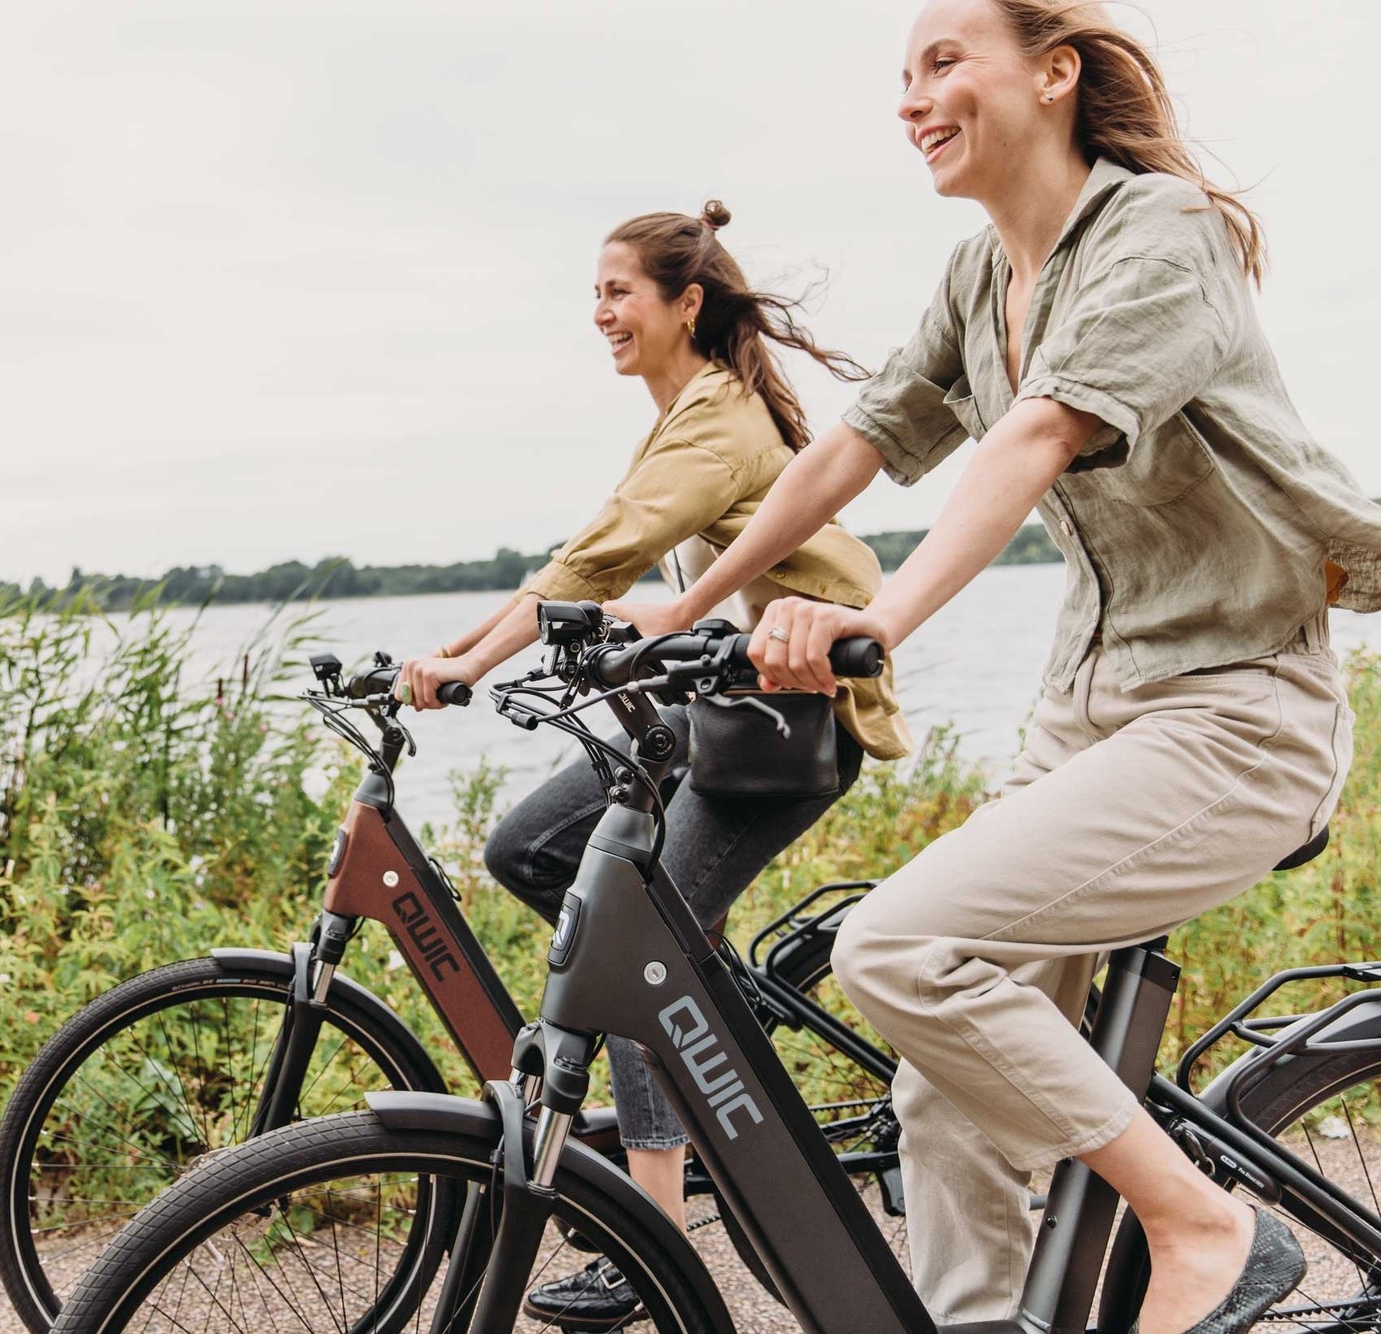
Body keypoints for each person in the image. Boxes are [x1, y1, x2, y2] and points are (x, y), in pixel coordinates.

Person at [608, 3, 1381, 1330]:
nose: (913, 98)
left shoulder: (1162, 235)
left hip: (1236, 718)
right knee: (941, 1087)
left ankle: (1205, 1224)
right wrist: (684, 617)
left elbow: (1031, 438)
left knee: (898, 944)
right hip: (1087, 721)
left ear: (1055, 72)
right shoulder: (982, 274)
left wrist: (879, 623)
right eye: (902, 76)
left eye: (944, 61)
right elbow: (852, 446)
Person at [397, 202, 913, 1328]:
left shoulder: (717, 420)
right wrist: (466, 657)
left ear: (686, 302)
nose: (601, 312)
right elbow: (593, 559)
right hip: (714, 711)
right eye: (593, 293)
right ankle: (709, 1028)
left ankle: (652, 1241)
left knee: (642, 942)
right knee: (527, 846)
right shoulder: (685, 415)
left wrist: (461, 659)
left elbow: (597, 556)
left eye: (619, 291)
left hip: (785, 725)